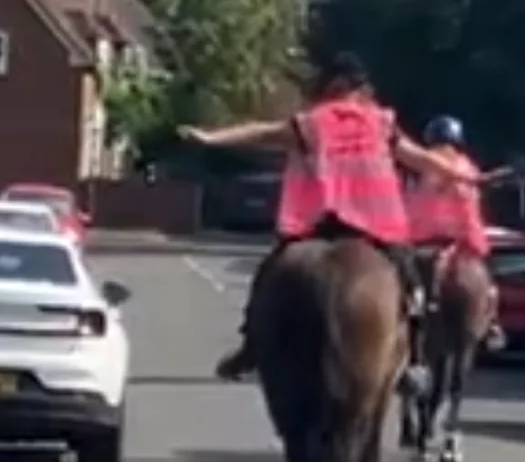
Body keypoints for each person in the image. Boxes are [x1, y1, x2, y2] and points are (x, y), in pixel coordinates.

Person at [181, 55, 481, 383]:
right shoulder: (380, 124)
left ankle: (250, 346)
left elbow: (260, 132)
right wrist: (466, 177)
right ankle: (415, 361)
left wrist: (211, 138)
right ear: (360, 89)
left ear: (332, 86)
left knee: (269, 276)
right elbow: (422, 160)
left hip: (317, 220)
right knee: (412, 286)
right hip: (376, 224)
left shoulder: (312, 122)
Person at [405, 115, 512, 355]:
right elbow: (471, 205)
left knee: (403, 279)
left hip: (424, 237)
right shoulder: (467, 166)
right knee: (487, 279)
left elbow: (413, 204)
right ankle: (493, 322)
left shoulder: (424, 164)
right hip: (461, 238)